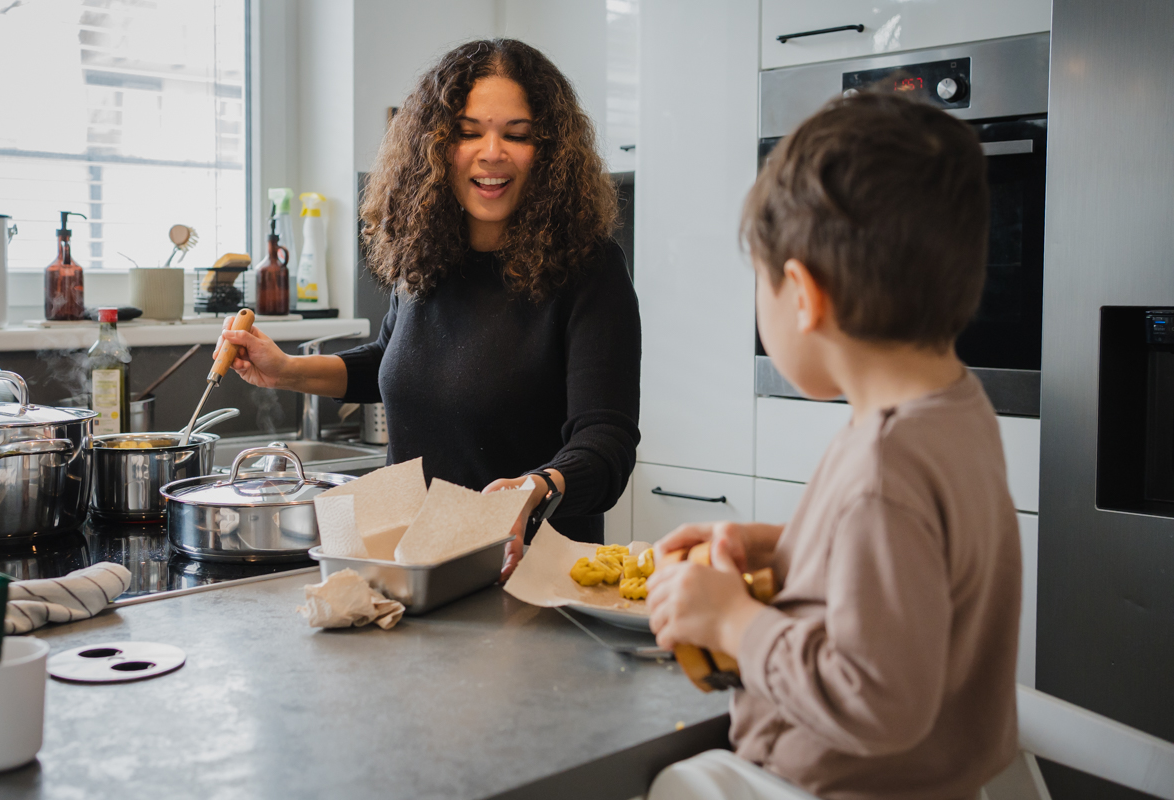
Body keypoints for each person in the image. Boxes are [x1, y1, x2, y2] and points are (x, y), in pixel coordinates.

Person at [647, 91, 1022, 800]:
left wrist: (733, 620)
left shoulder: (884, 466)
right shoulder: (955, 409)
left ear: (803, 295)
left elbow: (878, 698)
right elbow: (912, 567)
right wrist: (781, 549)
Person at [217, 40, 640, 579]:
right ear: (435, 147)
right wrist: (285, 370)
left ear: (550, 151)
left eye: (517, 134)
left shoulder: (590, 268)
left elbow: (606, 443)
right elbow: (391, 360)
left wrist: (537, 489)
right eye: (467, 132)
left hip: (535, 580)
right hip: (417, 575)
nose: (492, 152)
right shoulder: (426, 254)